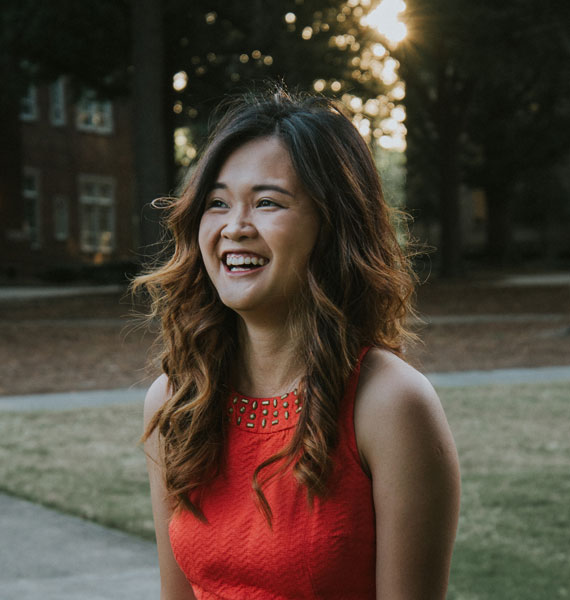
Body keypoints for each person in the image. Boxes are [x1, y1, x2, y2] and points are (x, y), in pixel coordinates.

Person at [136, 88, 460, 600]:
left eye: (267, 202)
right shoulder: (177, 398)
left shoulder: (391, 405)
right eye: (217, 203)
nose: (234, 228)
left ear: (332, 227)